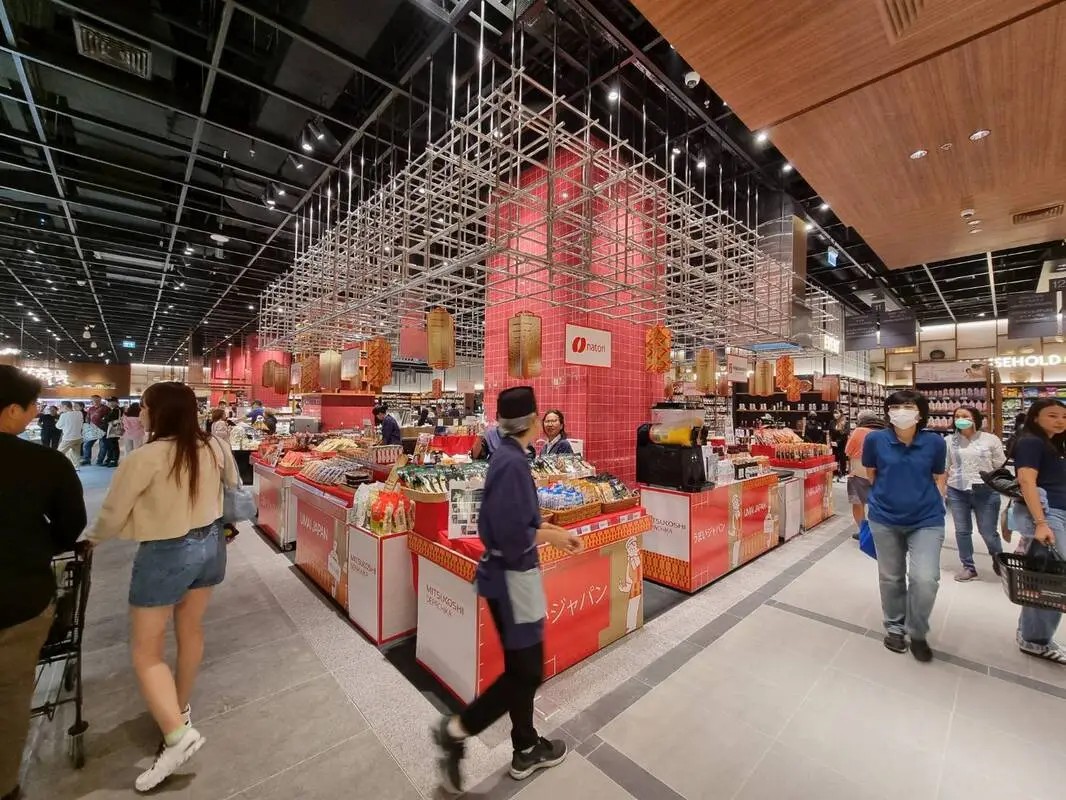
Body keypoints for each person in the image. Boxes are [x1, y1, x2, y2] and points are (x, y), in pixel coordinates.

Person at [89, 381, 240, 791]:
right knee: (190, 629)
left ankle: (177, 736)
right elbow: (234, 487)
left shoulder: (146, 457)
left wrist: (89, 540)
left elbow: (112, 513)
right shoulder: (214, 446)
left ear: (158, 412)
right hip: (211, 545)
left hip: (166, 551)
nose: (140, 413)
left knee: (146, 650)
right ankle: (180, 708)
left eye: (144, 406)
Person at [433, 387, 582, 793]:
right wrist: (551, 536)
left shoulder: (507, 457)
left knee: (521, 668)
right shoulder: (513, 463)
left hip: (506, 575)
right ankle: (456, 730)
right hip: (514, 577)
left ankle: (525, 746)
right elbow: (512, 533)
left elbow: (512, 521)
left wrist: (548, 528)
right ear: (532, 420)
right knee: (527, 672)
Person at [0, 366, 86, 800]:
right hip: (18, 597)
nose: (36, 413)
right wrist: (40, 547)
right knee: (10, 696)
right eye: (32, 406)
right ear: (11, 410)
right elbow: (72, 525)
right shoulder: (42, 463)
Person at [862, 389, 947, 662]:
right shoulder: (875, 439)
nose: (901, 412)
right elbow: (871, 473)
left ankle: (918, 631)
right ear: (888, 412)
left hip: (926, 518)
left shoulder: (935, 442)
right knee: (891, 577)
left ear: (920, 413)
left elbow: (938, 474)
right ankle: (895, 627)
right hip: (884, 518)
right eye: (896, 407)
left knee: (926, 578)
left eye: (908, 406)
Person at [1008, 398, 1066, 664]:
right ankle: (1034, 640)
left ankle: (1032, 634)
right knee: (1052, 579)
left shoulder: (1054, 444)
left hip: (1057, 514)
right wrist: (1041, 522)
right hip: (1050, 516)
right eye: (1052, 415)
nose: (1060, 421)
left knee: (1046, 575)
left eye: (1064, 416)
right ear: (1035, 418)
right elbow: (1026, 481)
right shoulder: (1031, 442)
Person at [945, 406, 1005, 582]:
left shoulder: (990, 439)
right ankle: (968, 567)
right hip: (957, 490)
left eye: (965, 416)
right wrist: (942, 489)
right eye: (957, 416)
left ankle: (999, 560)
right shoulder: (949, 441)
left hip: (985, 491)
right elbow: (945, 466)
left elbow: (999, 465)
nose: (960, 419)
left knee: (988, 532)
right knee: (962, 531)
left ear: (975, 418)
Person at [843, 410, 885, 539]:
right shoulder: (885, 431)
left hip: (859, 472)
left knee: (858, 503)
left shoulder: (858, 431)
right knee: (878, 504)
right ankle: (878, 531)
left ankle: (864, 532)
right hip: (881, 473)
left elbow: (848, 451)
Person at [81, 394, 108, 465]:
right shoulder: (91, 408)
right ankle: (87, 459)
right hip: (92, 429)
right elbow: (88, 417)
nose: (95, 402)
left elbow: (108, 419)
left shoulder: (106, 408)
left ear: (100, 400)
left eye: (97, 400)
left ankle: (100, 460)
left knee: (103, 446)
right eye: (93, 400)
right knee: (87, 445)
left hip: (103, 429)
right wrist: (87, 425)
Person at [57, 400, 84, 468]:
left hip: (68, 438)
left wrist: (64, 426)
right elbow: (81, 422)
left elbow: (58, 426)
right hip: (78, 437)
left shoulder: (63, 415)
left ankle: (55, 466)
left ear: (65, 406)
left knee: (59, 453)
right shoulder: (79, 413)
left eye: (61, 406)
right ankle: (76, 467)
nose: (60, 408)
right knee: (75, 453)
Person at [102, 396, 123, 467]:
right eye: (109, 402)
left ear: (116, 402)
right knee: (110, 445)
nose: (109, 403)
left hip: (113, 430)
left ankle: (114, 460)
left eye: (111, 402)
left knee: (114, 445)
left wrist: (104, 418)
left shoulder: (117, 410)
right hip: (110, 430)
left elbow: (108, 419)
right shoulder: (112, 410)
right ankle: (110, 459)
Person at [829, 409, 849, 481]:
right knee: (835, 459)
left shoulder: (845, 422)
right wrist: (831, 441)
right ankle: (835, 474)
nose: (835, 415)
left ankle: (843, 474)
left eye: (837, 413)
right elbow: (831, 432)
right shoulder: (832, 422)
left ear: (841, 414)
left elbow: (845, 433)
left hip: (842, 443)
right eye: (834, 413)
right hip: (834, 443)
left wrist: (838, 441)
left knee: (842, 459)